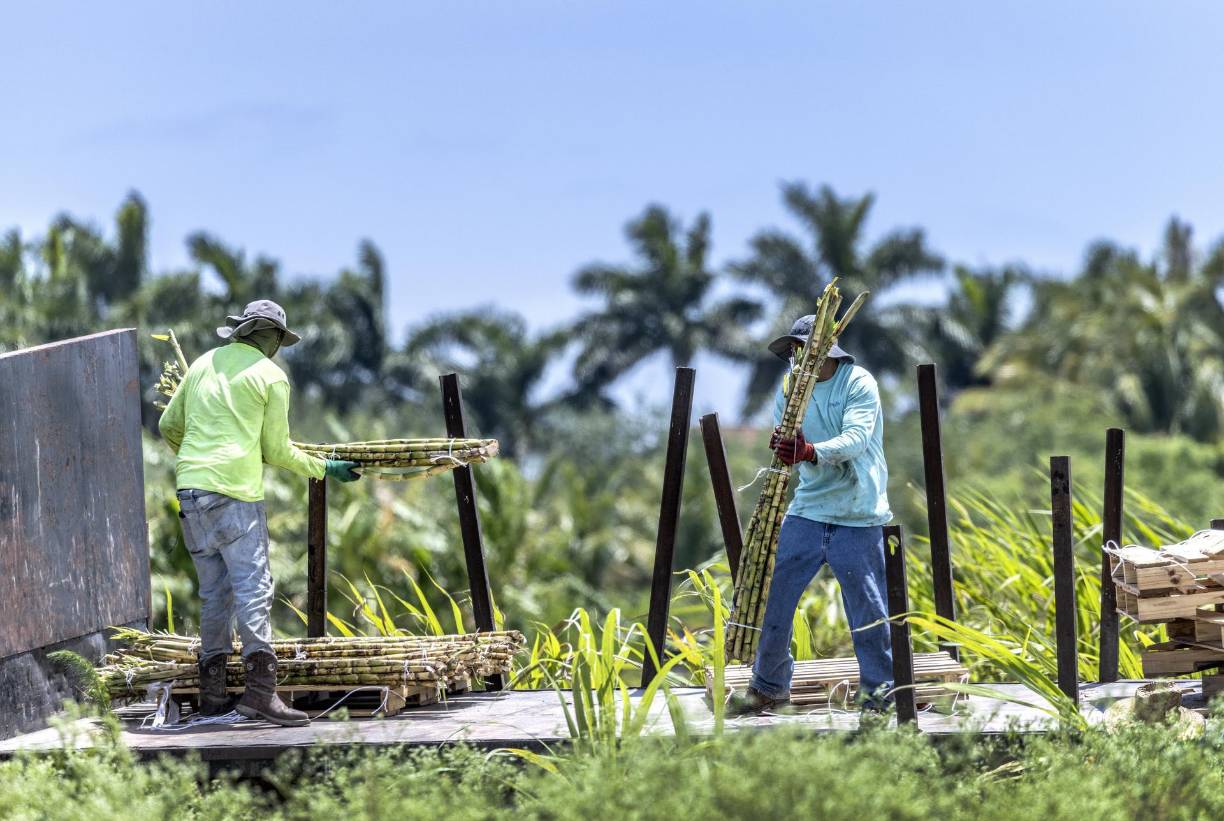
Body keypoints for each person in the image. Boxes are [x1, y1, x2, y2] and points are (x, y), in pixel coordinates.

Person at [158, 300, 362, 727]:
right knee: (254, 590)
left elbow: (168, 426)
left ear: (242, 330)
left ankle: (213, 695)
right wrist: (326, 468)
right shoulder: (271, 376)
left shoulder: (203, 364)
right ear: (272, 339)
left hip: (190, 491)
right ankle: (261, 693)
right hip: (235, 494)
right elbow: (278, 450)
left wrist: (199, 460)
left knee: (215, 593)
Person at [730, 314, 893, 714]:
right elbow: (786, 439)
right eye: (794, 352)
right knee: (773, 597)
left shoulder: (858, 382)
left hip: (858, 511)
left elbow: (856, 439)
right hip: (808, 509)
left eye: (805, 351)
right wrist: (789, 447)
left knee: (868, 610)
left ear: (825, 351)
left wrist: (809, 451)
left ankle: (879, 696)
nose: (798, 358)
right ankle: (768, 686)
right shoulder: (789, 389)